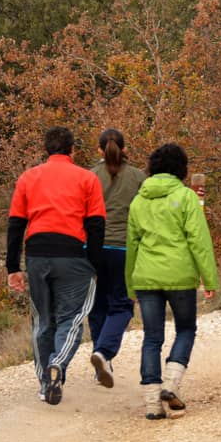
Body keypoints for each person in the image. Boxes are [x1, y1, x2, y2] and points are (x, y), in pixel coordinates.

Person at [6, 126, 106, 405]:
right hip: (72, 256)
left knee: (42, 320)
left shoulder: (28, 178)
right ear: (73, 150)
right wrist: (96, 264)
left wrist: (12, 266)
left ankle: (44, 384)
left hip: (37, 255)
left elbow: (15, 225)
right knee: (71, 319)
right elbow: (96, 226)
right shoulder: (87, 179)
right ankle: (58, 366)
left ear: (47, 149)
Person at [125, 143, 218, 420]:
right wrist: (209, 278)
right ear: (182, 169)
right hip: (179, 276)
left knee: (152, 337)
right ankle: (171, 383)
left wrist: (130, 285)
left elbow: (132, 245)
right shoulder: (186, 198)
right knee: (186, 329)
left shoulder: (138, 201)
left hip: (146, 276)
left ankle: (152, 403)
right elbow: (199, 242)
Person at [88, 128, 146, 388]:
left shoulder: (89, 177)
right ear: (124, 149)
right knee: (122, 305)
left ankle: (101, 358)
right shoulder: (137, 177)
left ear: (99, 150)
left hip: (95, 249)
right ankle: (104, 351)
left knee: (98, 305)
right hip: (125, 249)